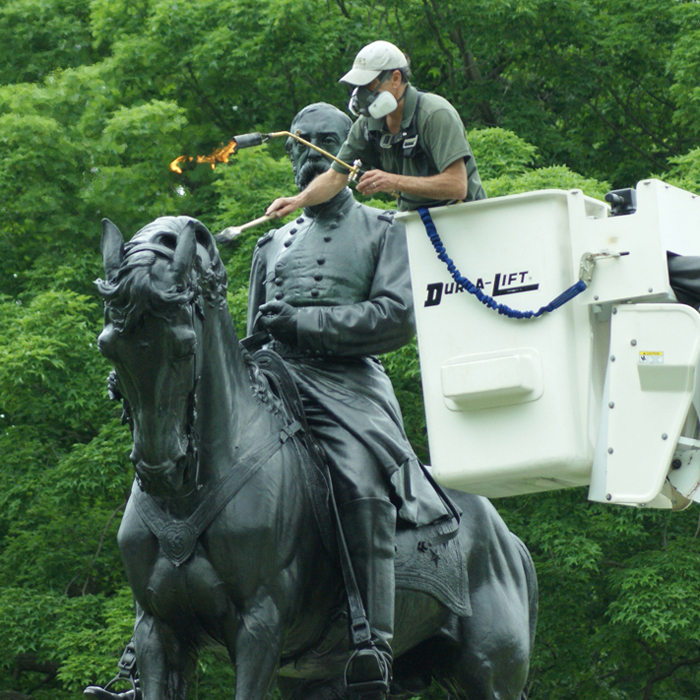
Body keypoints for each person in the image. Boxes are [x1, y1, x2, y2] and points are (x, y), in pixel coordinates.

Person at [249, 102, 455, 699]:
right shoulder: (272, 243)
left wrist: (308, 325)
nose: (308, 152)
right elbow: (257, 333)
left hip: (346, 386)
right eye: (299, 144)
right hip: (276, 381)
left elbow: (394, 320)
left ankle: (372, 640)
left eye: (323, 141)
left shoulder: (384, 228)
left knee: (357, 479)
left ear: (350, 153)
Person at [266, 40, 486, 220]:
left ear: (395, 79)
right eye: (357, 87)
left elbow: (457, 186)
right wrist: (296, 201)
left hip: (465, 217)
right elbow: (334, 178)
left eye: (368, 85)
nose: (361, 94)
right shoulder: (367, 124)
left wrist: (393, 181)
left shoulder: (434, 114)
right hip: (416, 223)